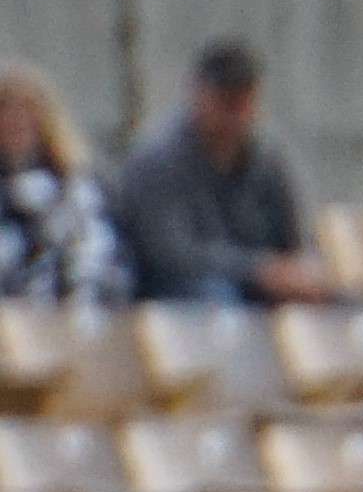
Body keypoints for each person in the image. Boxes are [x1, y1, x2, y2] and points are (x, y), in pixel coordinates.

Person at [111, 43, 332, 311]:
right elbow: (170, 255)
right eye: (226, 103)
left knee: (342, 303)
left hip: (255, 284)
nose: (234, 116)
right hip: (175, 289)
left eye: (243, 103)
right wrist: (257, 269)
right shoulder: (157, 159)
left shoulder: (268, 158)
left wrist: (300, 274)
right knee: (218, 298)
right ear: (198, 94)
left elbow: (292, 238)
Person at [0, 62, 127, 308]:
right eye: (5, 110)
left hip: (75, 310)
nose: (16, 121)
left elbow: (104, 249)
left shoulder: (78, 183)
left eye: (27, 111)